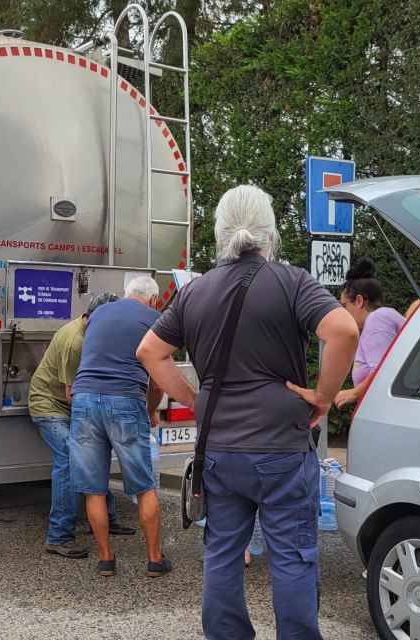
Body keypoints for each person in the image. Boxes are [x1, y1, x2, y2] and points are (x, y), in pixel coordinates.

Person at [137, 185, 358, 639]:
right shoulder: (292, 281)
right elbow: (343, 330)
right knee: (292, 557)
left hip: (220, 448)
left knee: (221, 552)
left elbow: (150, 351)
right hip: (281, 445)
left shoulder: (194, 293)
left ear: (220, 232)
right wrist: (322, 394)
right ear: (268, 230)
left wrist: (192, 399)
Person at [69, 275, 171, 578]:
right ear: (153, 299)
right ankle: (154, 560)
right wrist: (151, 411)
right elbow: (158, 380)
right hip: (125, 400)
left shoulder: (99, 313)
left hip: (84, 398)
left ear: (126, 294)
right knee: (144, 486)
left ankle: (106, 559)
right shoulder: (156, 319)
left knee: (93, 489)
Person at [28, 293, 136, 559]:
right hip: (50, 406)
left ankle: (105, 521)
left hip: (73, 403)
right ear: (97, 317)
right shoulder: (76, 341)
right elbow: (71, 394)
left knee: (92, 454)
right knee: (72, 458)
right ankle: (58, 536)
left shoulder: (94, 332)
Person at [334, 258, 406, 409]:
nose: (343, 311)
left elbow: (381, 371)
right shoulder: (383, 318)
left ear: (359, 301)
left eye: (344, 305)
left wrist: (354, 393)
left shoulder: (377, 320)